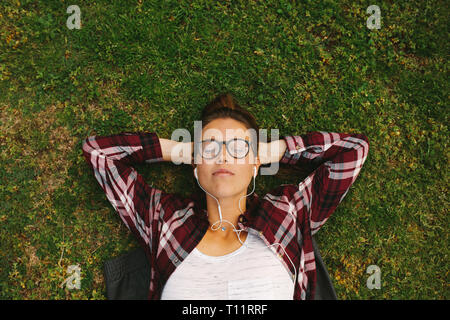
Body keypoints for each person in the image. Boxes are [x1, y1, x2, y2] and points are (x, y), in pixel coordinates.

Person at [81, 93, 369, 300]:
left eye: (238, 148)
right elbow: (99, 153)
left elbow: (353, 150)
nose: (223, 155)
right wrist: (180, 150)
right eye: (210, 147)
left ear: (255, 164)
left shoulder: (287, 213)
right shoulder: (164, 219)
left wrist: (270, 151)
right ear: (195, 165)